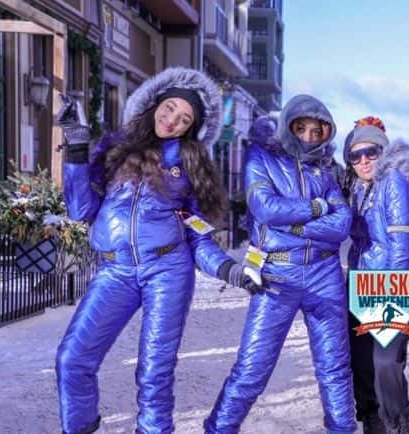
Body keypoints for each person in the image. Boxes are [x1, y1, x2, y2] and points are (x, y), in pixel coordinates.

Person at [55, 67, 262, 434]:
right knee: (73, 360)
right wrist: (74, 149)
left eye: (184, 120)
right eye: (170, 109)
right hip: (115, 271)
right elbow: (80, 210)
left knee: (154, 372)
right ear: (154, 104)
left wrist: (230, 270)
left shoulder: (190, 163)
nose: (173, 121)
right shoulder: (115, 149)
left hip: (167, 271)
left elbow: (199, 236)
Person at [204, 95, 356, 434]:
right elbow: (266, 208)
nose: (309, 136)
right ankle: (219, 428)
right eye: (301, 128)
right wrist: (318, 209)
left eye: (318, 130)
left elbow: (342, 224)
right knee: (252, 368)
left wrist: (296, 223)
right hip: (276, 273)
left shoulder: (327, 169)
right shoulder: (262, 157)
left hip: (324, 273)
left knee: (335, 369)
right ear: (289, 126)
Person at [343, 116, 409, 434]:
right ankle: (373, 424)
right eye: (355, 155)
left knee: (386, 363)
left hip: (390, 282)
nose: (363, 161)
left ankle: (396, 424)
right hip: (361, 282)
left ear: (383, 152)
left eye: (371, 152)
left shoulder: (394, 181)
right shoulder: (358, 187)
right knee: (362, 365)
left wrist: (395, 290)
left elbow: (403, 241)